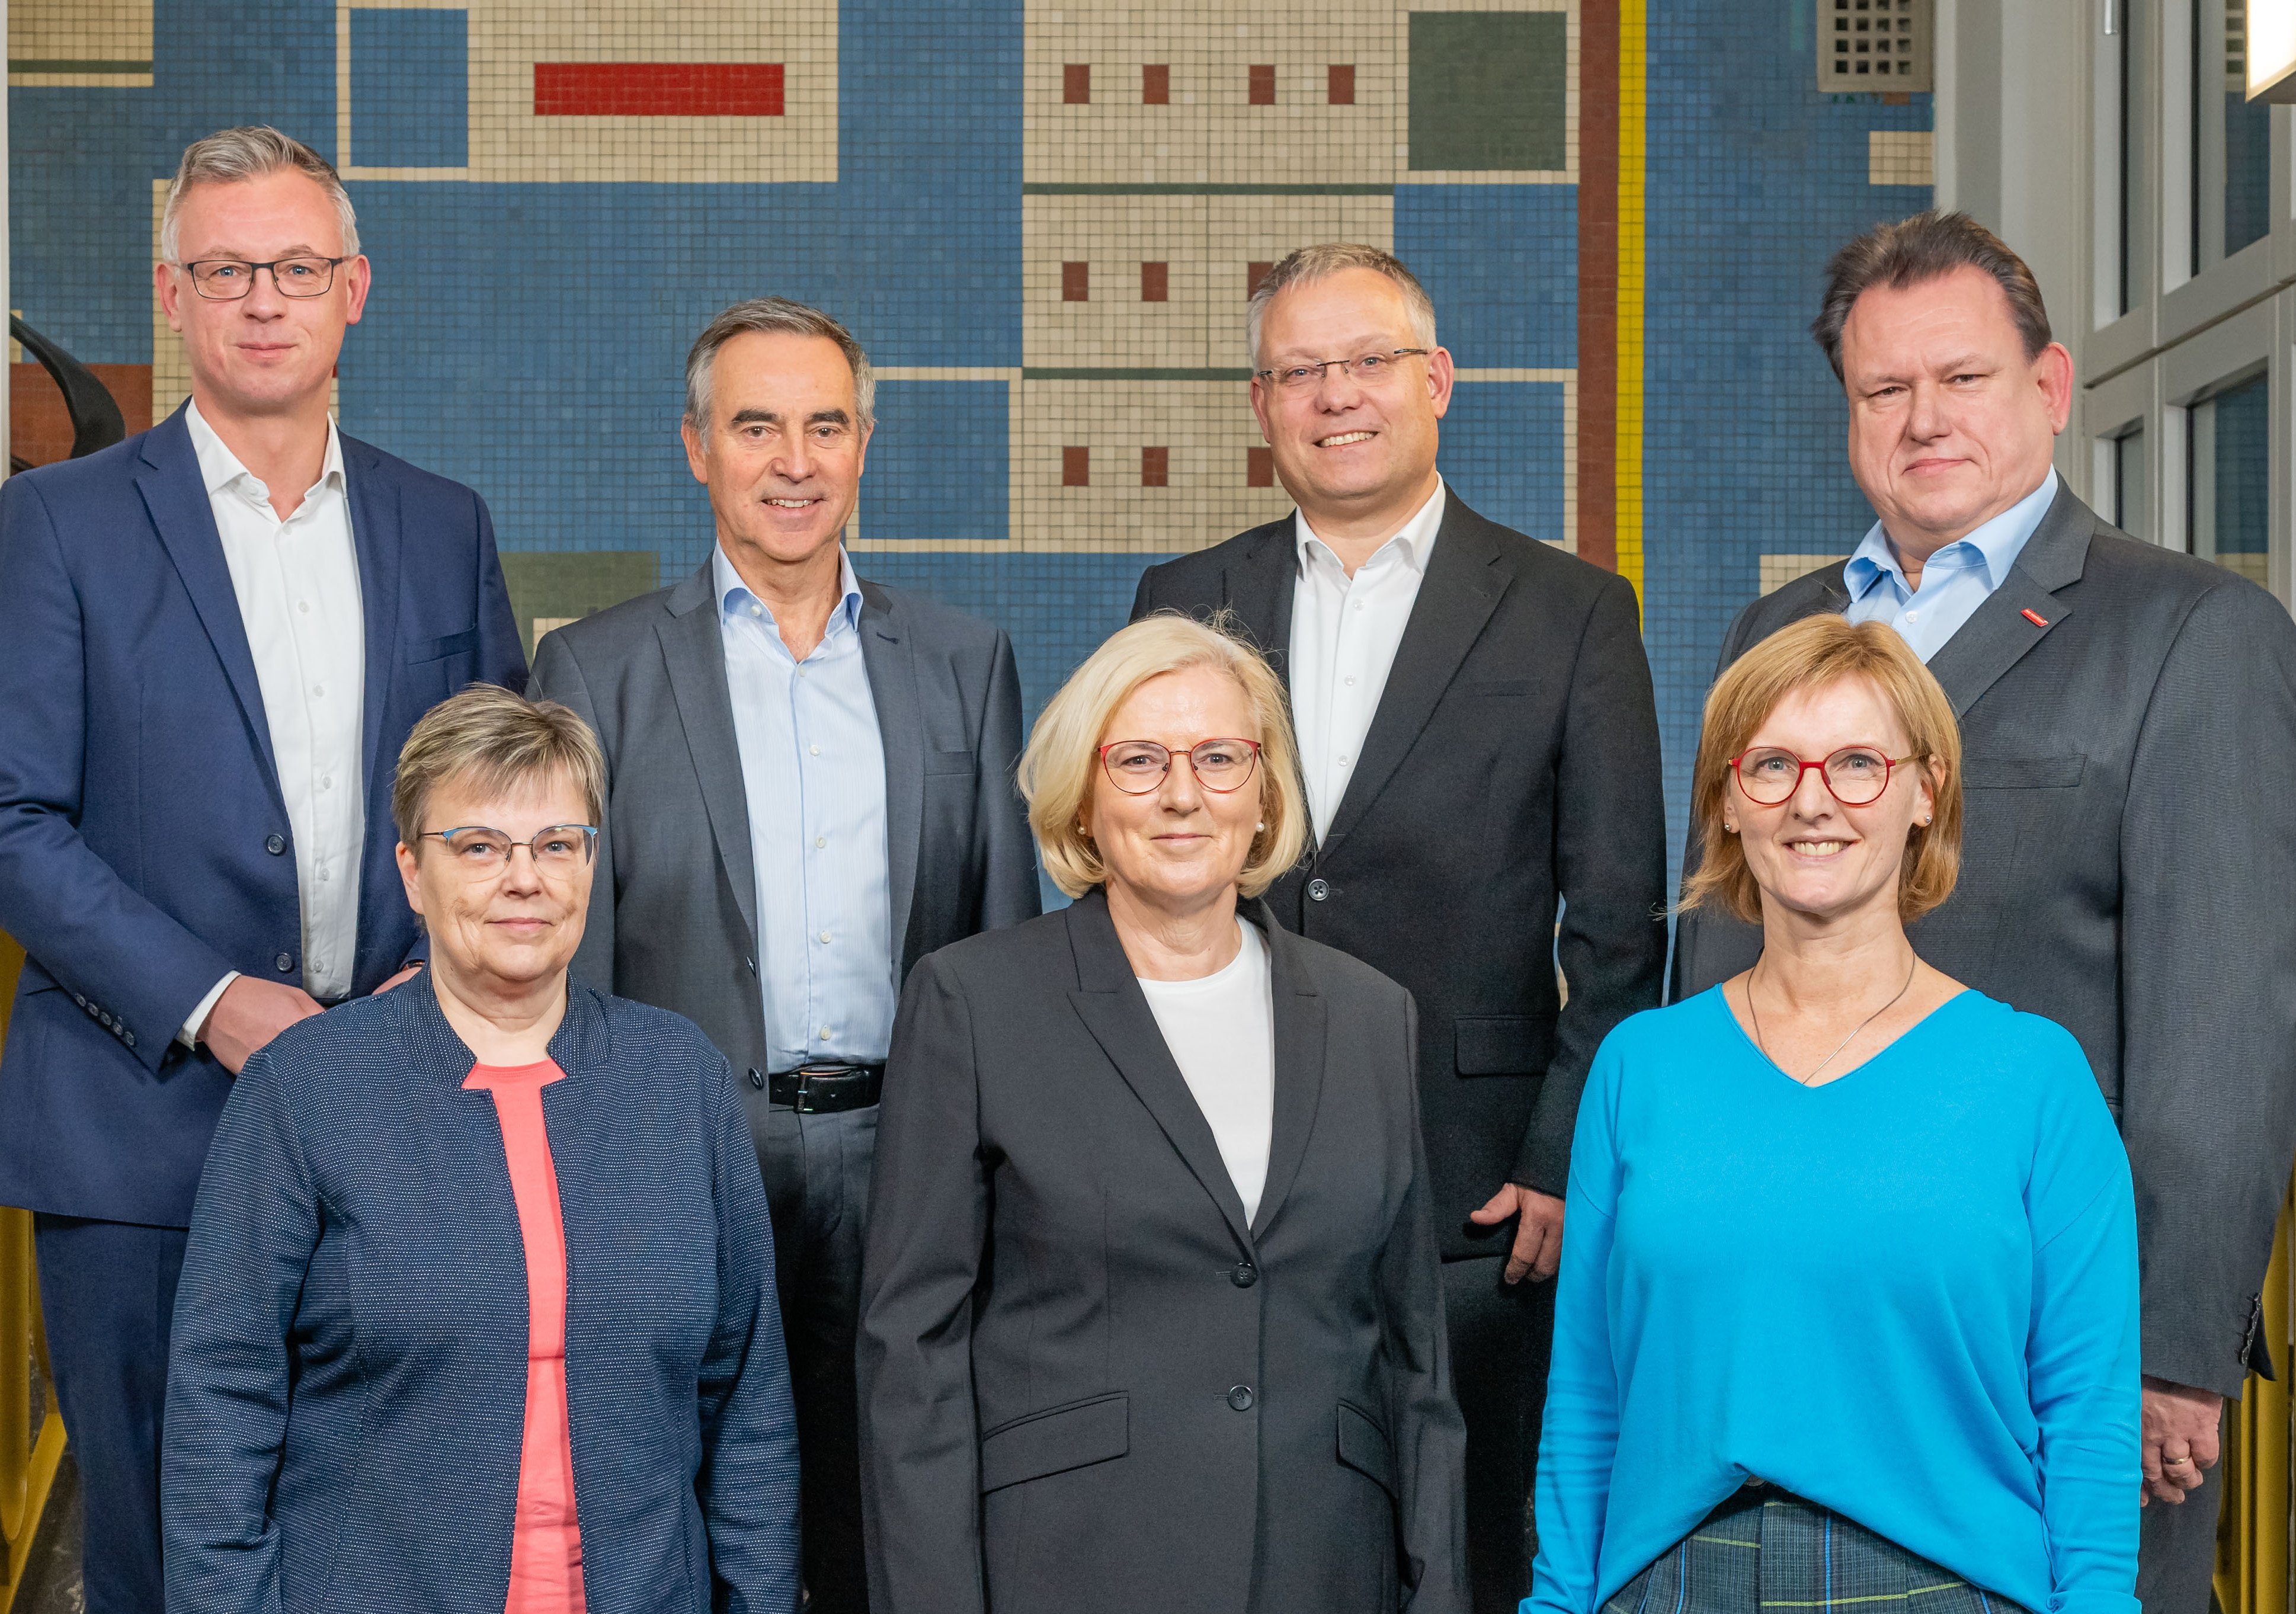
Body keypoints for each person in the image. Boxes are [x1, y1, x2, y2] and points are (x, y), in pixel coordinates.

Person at [1670, 210, 2296, 1614]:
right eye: (1884, 390)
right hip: (1778, 1315)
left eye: (1961, 379)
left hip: (2046, 1337)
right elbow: (1715, 948)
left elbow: (2227, 1023)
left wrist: (2173, 1347)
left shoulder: (2193, 633)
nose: (1922, 418)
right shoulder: (1774, 633)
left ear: (2051, 388)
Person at [0, 126, 524, 1613]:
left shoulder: (444, 524)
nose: (263, 301)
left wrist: (453, 971)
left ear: (354, 288)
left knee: (395, 1531)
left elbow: (489, 799)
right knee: (169, 1549)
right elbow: (12, 815)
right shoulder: (55, 525)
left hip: (400, 1116)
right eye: (225, 270)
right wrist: (214, 998)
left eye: (295, 267)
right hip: (141, 1126)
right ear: (173, 295)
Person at [1129, 242, 1666, 1609]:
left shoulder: (1570, 610)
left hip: (1478, 1182)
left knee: (1472, 1543)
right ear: (1261, 408)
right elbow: (1128, 881)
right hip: (1221, 1155)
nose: (1336, 396)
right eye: (1300, 371)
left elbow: (1616, 919)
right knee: (1250, 1529)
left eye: (1367, 361)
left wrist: (1563, 1153)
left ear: (1437, 381)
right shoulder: (1183, 598)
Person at [529, 296, 1038, 1613]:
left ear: (866, 443)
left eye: (825, 426)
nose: (794, 461)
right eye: (757, 427)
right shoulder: (595, 669)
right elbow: (568, 956)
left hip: (908, 1152)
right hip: (686, 1153)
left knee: (897, 1510)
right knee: (693, 1511)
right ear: (697, 448)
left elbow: (999, 939)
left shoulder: (965, 666)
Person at [858, 614, 1465, 1613]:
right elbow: (910, 1358)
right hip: (1069, 1570)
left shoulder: (1371, 1017)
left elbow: (1415, 1367)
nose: (1183, 794)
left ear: (1264, 794)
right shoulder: (974, 1004)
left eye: (1220, 758)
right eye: (1139, 760)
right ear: (1083, 799)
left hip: (1324, 1572)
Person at [1533, 612, 2138, 1614]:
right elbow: (1588, 1392)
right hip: (1671, 1584)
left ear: (1923, 792)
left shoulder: (2034, 1077)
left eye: (1858, 762)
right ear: (1730, 802)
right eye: (1771, 765)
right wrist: (1557, 1602)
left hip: (1948, 1586)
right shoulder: (1641, 1067)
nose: (1812, 802)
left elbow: (2088, 1412)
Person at [163, 684, 800, 1613]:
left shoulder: (679, 1078)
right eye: (478, 847)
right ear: (414, 874)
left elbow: (748, 1402)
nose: (525, 879)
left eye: (556, 844)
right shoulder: (306, 1087)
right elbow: (222, 1398)